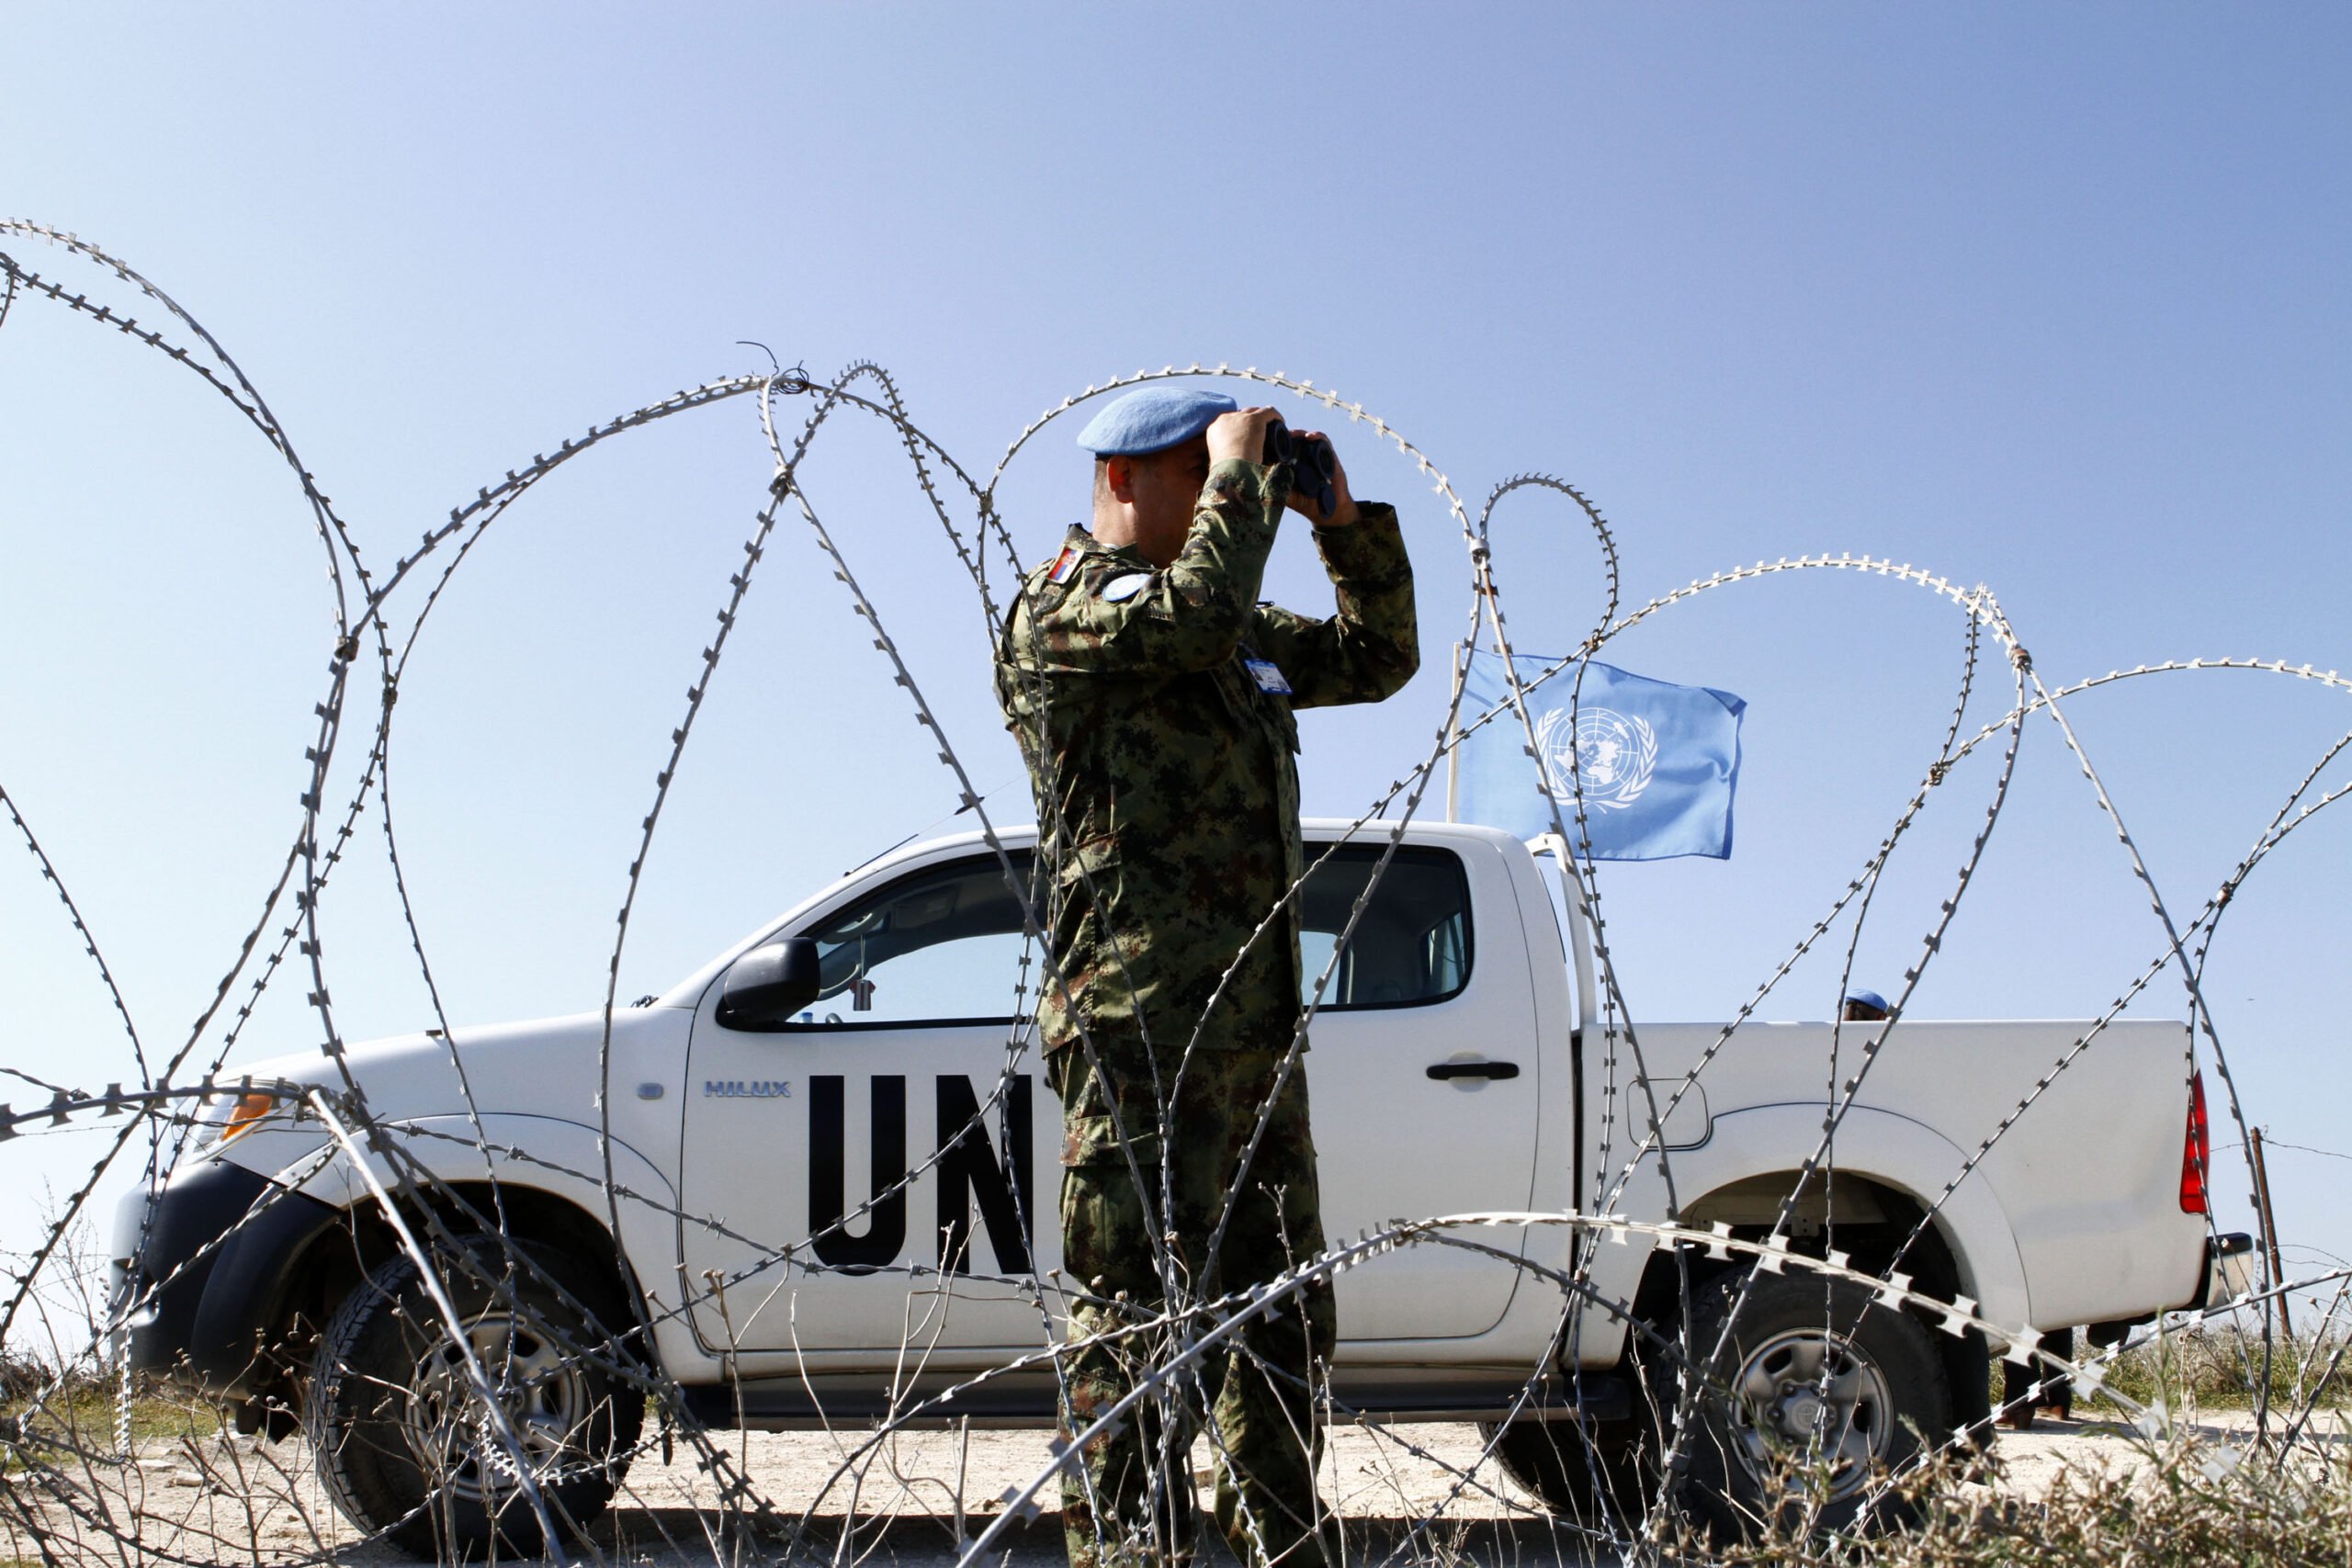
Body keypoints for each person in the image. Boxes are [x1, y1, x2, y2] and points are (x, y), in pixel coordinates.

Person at [994, 385, 1418, 1568]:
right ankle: (1128, 1555)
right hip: (1139, 1031)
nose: (1233, 499)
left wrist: (1338, 523)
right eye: (1204, 474)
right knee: (1136, 1321)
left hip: (1254, 1025)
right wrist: (1242, 475)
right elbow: (1185, 620)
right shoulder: (1062, 611)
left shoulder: (1226, 621)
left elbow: (1378, 658)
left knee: (1280, 1317)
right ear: (1123, 480)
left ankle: (1279, 1541)